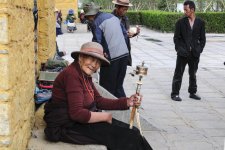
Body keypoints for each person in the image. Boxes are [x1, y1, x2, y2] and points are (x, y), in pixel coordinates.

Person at [43, 42, 153, 150]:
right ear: (81, 57)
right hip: (68, 125)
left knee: (133, 132)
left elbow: (98, 100)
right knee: (128, 137)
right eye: (91, 59)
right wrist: (105, 116)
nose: (94, 65)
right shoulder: (72, 75)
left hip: (82, 120)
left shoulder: (84, 75)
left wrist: (127, 102)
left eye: (98, 62)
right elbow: (76, 114)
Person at [83, 2, 129, 98]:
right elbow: (125, 35)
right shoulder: (112, 17)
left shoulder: (96, 22)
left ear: (92, 15)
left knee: (107, 88)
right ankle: (126, 109)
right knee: (118, 86)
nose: (88, 19)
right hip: (124, 55)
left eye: (88, 17)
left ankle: (110, 109)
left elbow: (97, 43)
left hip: (112, 59)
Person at [171, 0, 206, 101]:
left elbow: (203, 39)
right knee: (178, 73)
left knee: (193, 74)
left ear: (192, 9)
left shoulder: (200, 23)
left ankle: (192, 92)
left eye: (186, 10)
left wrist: (199, 50)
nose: (184, 12)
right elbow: (176, 38)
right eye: (184, 10)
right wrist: (179, 49)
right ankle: (175, 94)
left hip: (195, 54)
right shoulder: (180, 22)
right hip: (182, 53)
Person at [112, 0, 140, 66]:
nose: (125, 11)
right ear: (117, 7)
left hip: (125, 49)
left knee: (124, 70)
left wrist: (135, 32)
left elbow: (127, 34)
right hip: (114, 51)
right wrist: (124, 34)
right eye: (124, 9)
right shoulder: (110, 18)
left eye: (127, 9)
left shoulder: (125, 18)